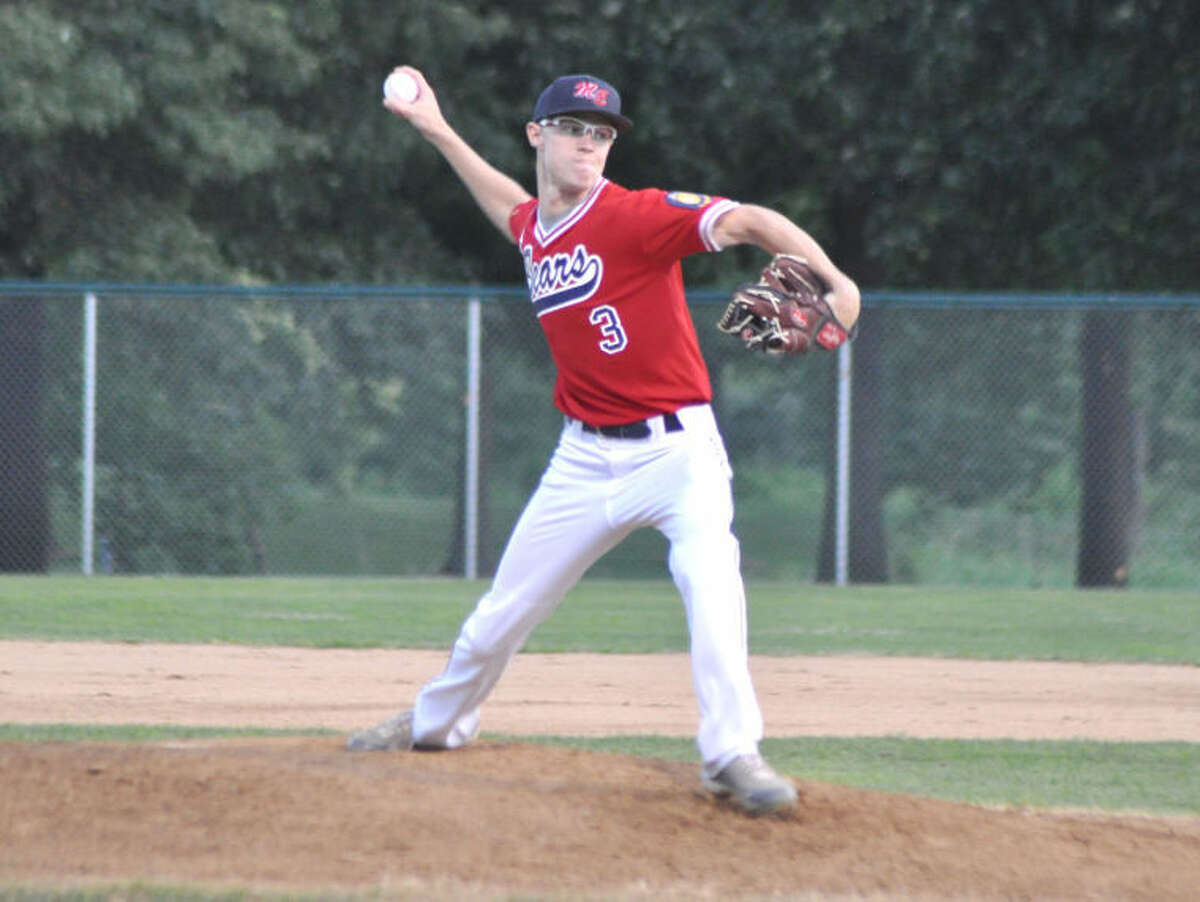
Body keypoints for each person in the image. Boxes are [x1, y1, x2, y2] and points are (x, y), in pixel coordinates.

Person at [348, 68, 861, 816]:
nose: (591, 144)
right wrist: (435, 127)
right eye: (575, 129)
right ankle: (437, 724)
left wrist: (835, 281)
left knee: (712, 585)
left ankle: (733, 754)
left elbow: (749, 219)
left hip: (677, 451)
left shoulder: (635, 216)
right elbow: (509, 204)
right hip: (584, 457)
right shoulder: (537, 229)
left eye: (603, 134)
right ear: (539, 134)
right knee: (501, 613)